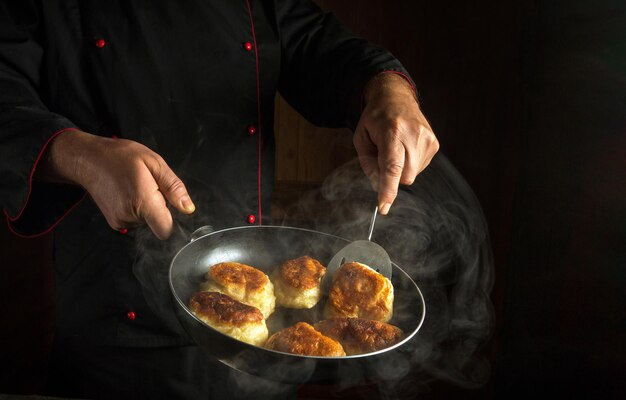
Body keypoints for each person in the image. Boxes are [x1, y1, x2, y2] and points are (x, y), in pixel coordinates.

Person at [0, 1, 438, 399]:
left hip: (266, 347)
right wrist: (78, 153)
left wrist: (385, 86)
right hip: (115, 322)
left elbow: (311, 38)